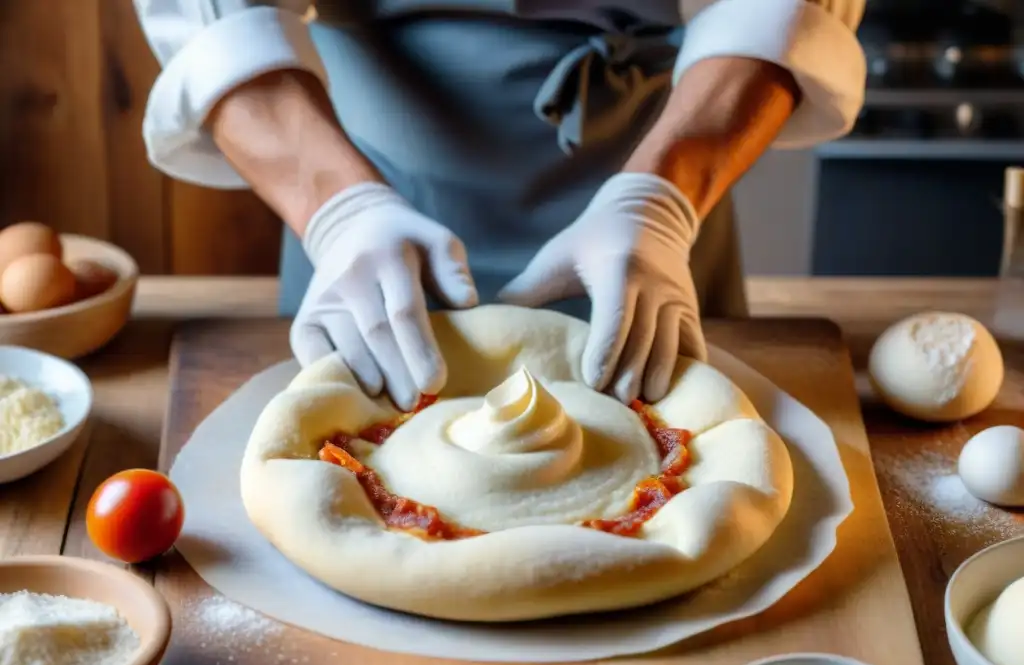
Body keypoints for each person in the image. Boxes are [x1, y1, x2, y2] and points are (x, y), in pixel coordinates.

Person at [134, 1, 865, 411]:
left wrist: (659, 203)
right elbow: (215, 19)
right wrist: (339, 212)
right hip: (358, 191)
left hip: (660, 167)